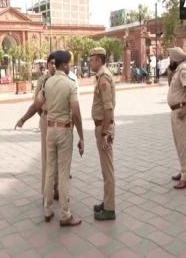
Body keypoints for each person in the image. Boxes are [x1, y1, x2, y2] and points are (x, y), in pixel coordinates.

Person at [15, 50, 84, 227]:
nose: (70, 66)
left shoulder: (48, 83)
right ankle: (65, 214)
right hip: (64, 131)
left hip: (50, 130)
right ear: (64, 65)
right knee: (62, 173)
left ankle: (47, 209)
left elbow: (36, 105)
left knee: (49, 169)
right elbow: (76, 112)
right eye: (69, 63)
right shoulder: (70, 84)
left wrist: (23, 119)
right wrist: (81, 136)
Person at [89, 47, 117, 221]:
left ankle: (110, 209)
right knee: (105, 169)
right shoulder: (101, 76)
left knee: (108, 171)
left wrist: (105, 132)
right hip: (101, 126)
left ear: (98, 60)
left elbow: (108, 108)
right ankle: (107, 202)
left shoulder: (104, 77)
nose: (90, 62)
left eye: (92, 59)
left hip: (103, 127)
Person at [32, 53, 59, 200]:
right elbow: (36, 103)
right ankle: (46, 191)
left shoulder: (62, 79)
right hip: (46, 119)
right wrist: (43, 115)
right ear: (47, 65)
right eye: (51, 63)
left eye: (56, 63)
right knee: (46, 156)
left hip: (59, 121)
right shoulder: (43, 81)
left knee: (59, 156)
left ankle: (57, 188)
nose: (53, 66)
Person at [167, 47, 186, 190]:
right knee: (179, 143)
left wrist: (184, 109)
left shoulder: (183, 70)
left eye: (171, 58)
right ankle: (183, 170)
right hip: (176, 110)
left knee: (183, 144)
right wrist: (170, 75)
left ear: (176, 59)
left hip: (180, 110)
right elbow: (173, 89)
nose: (170, 61)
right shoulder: (177, 70)